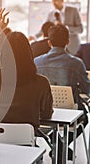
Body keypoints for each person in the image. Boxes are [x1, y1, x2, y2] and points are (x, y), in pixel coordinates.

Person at [0, 8, 53, 129]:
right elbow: (46, 115)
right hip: (28, 142)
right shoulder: (42, 82)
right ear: (29, 54)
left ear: (4, 53)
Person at [34, 24, 90, 161]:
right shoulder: (76, 63)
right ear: (67, 42)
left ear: (49, 42)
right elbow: (87, 89)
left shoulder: (36, 62)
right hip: (70, 113)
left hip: (42, 112)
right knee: (85, 118)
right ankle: (60, 147)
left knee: (49, 124)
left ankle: (57, 145)